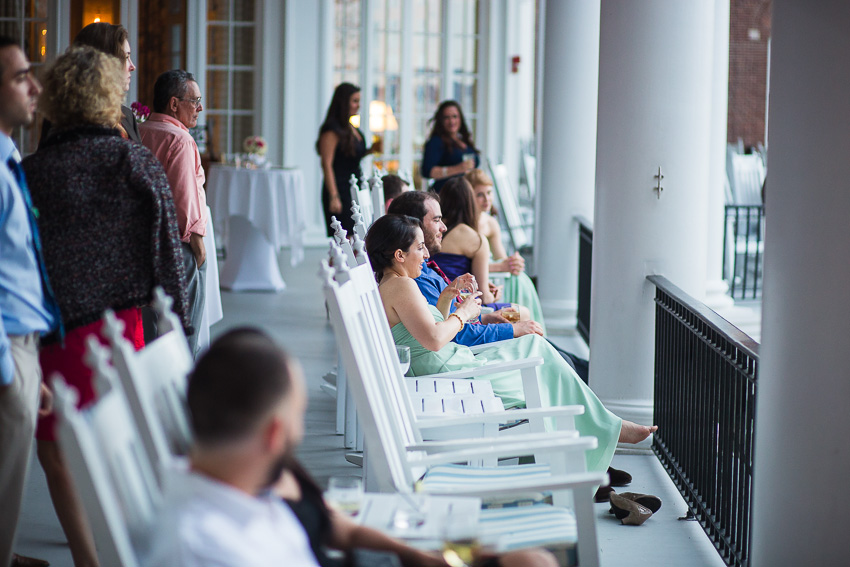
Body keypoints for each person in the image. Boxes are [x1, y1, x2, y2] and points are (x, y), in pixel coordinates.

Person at [150, 328, 557, 567]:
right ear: (275, 433)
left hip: (367, 553)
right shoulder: (208, 545)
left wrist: (418, 556)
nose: (301, 430)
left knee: (530, 561)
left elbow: (329, 524)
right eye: (299, 415)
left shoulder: (258, 472)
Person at [22, 46, 189, 567]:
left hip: (54, 332)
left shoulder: (30, 171)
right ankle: (132, 545)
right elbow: (169, 258)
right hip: (125, 328)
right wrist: (179, 335)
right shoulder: (131, 160)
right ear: (107, 98)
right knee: (125, 444)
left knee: (57, 449)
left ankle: (88, 557)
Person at [365, 215, 657, 475]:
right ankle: (599, 439)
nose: (426, 253)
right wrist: (462, 314)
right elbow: (435, 338)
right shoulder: (401, 286)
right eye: (419, 248)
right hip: (448, 370)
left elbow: (425, 329)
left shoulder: (393, 284)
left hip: (446, 364)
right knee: (543, 365)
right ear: (399, 254)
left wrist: (446, 298)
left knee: (539, 353)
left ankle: (598, 439)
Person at [0, 36, 60, 567]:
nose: (34, 86)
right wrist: (8, 370)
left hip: (22, 345)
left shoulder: (10, 159)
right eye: (21, 77)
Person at [140, 69, 207, 357]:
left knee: (150, 326)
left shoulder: (140, 130)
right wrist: (198, 246)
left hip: (142, 243)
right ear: (174, 104)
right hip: (175, 245)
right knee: (182, 328)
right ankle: (180, 394)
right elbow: (184, 198)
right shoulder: (180, 139)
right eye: (195, 100)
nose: (200, 108)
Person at [438, 174, 546, 331]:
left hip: (439, 303)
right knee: (523, 313)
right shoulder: (476, 239)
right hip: (465, 310)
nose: (485, 199)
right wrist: (494, 295)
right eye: (478, 195)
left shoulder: (434, 232)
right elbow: (485, 298)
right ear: (470, 201)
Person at [39, 22, 139, 145]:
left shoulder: (128, 117)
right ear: (105, 62)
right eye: (126, 57)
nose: (132, 66)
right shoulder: (60, 119)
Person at [316, 83, 376, 236]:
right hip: (339, 189)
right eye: (355, 101)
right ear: (343, 102)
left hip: (354, 188)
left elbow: (350, 156)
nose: (358, 105)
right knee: (345, 239)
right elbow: (326, 164)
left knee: (358, 235)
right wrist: (334, 196)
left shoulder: (350, 127)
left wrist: (371, 150)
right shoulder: (332, 130)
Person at [421, 100, 480, 193]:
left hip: (464, 192)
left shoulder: (463, 139)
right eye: (446, 117)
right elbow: (427, 171)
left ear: (460, 119)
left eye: (454, 116)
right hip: (446, 194)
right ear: (441, 120)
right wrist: (458, 168)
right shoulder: (436, 141)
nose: (451, 121)